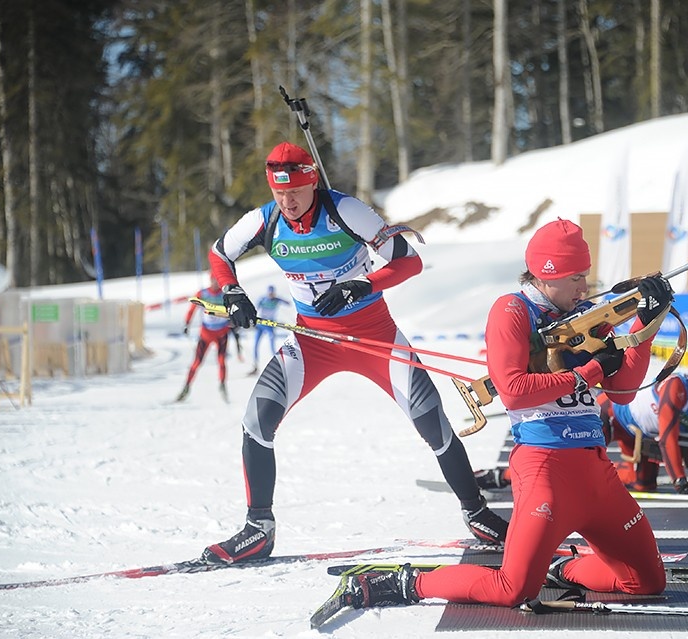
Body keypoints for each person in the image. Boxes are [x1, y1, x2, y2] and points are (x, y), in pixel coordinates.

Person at [201, 141, 508, 564]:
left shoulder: (346, 211)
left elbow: (409, 262)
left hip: (374, 337)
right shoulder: (264, 220)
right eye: (278, 193)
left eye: (294, 192)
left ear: (312, 182)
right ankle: (259, 529)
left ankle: (476, 512)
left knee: (432, 422)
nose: (287, 202)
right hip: (311, 340)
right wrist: (232, 291)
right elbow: (220, 253)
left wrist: (362, 285)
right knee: (256, 421)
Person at [344, 218, 672, 610]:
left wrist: (646, 326)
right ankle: (412, 584)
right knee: (512, 589)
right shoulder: (512, 311)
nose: (584, 287)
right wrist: (590, 372)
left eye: (585, 276)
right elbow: (514, 392)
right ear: (546, 275)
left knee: (647, 582)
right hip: (545, 469)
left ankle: (563, 570)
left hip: (597, 473)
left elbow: (623, 393)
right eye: (575, 278)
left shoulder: (587, 314)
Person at [176, 273, 232, 403]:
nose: (215, 283)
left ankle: (223, 386)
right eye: (213, 280)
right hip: (206, 334)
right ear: (210, 279)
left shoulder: (225, 294)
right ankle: (186, 387)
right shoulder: (203, 293)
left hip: (221, 334)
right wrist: (187, 324)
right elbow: (192, 309)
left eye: (217, 280)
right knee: (196, 362)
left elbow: (232, 310)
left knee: (222, 361)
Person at [249, 285, 290, 375]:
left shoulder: (276, 299)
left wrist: (279, 300)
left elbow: (288, 303)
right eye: (269, 293)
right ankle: (255, 366)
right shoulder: (263, 299)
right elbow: (255, 309)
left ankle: (277, 366)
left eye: (272, 293)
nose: (271, 295)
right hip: (261, 324)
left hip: (270, 324)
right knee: (255, 345)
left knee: (272, 346)